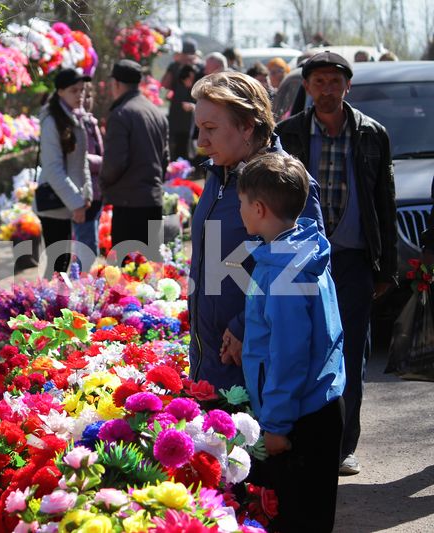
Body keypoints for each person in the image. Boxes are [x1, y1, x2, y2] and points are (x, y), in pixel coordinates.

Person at [275, 51, 397, 476]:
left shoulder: (371, 134)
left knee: (350, 355)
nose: (327, 90)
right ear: (306, 87)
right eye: (319, 82)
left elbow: (385, 200)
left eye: (334, 81)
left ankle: (343, 447)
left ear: (348, 86)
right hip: (297, 258)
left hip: (353, 260)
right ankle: (300, 438)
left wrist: (386, 268)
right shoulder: (287, 134)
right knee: (297, 347)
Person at [188, 71, 324, 390]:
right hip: (212, 361)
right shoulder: (220, 173)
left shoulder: (286, 185)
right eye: (198, 128)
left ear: (248, 126)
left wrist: (244, 326)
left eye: (210, 129)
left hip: (258, 367)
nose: (200, 141)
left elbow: (301, 277)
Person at [238, 152, 346, 533]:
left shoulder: (283, 272)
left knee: (297, 518)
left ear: (260, 208)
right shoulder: (302, 250)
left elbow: (289, 355)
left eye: (241, 202)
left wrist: (278, 425)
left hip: (298, 417)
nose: (240, 210)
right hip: (319, 404)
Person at [100, 59, 170, 251]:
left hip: (128, 204)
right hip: (152, 200)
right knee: (151, 272)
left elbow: (114, 163)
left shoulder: (121, 114)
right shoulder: (156, 113)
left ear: (116, 84)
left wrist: (103, 184)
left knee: (126, 274)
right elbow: (165, 159)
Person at [34, 67, 92, 275]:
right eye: (73, 91)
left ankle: (55, 303)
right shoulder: (52, 121)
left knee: (63, 261)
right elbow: (52, 169)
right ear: (60, 92)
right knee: (58, 263)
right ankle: (48, 304)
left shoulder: (73, 117)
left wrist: (86, 193)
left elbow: (80, 161)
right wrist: (77, 202)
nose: (80, 95)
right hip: (54, 201)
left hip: (67, 200)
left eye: (82, 90)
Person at [73, 83, 104, 258]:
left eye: (89, 95)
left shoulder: (91, 121)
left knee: (89, 248)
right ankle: (76, 283)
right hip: (84, 194)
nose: (87, 99)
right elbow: (78, 159)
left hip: (97, 193)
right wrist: (104, 163)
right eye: (83, 94)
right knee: (87, 250)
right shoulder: (76, 123)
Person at [167, 64, 198, 161]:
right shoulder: (179, 87)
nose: (191, 80)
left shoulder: (191, 89)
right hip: (179, 126)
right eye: (190, 77)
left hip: (186, 127)